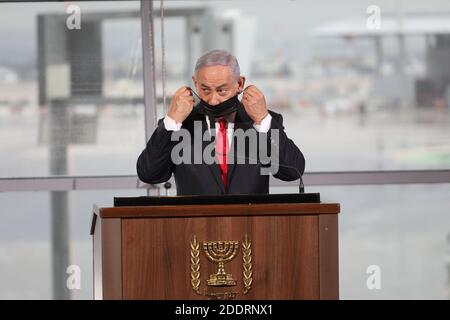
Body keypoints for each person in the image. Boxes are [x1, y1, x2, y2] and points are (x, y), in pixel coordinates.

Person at [137, 49, 305, 195]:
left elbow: (292, 171)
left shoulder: (262, 122)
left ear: (239, 84)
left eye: (222, 90)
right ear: (195, 83)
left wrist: (262, 120)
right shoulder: (179, 125)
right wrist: (171, 121)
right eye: (205, 90)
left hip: (252, 227)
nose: (213, 100)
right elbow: (149, 174)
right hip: (194, 228)